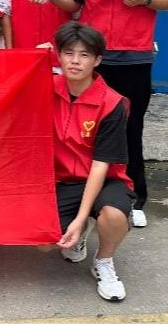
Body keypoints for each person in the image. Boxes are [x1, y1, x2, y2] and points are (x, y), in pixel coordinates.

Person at [52, 0, 168, 228]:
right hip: (94, 60)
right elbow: (75, 4)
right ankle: (88, 195)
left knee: (131, 129)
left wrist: (145, 0)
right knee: (87, 132)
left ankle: (134, 197)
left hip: (135, 57)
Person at [41, 21, 134, 302]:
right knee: (43, 243)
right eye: (69, 53)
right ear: (59, 56)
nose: (75, 61)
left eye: (84, 55)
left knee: (114, 216)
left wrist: (80, 217)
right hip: (61, 180)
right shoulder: (45, 89)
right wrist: (33, 58)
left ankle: (103, 261)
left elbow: (100, 165)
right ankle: (78, 233)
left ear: (97, 60)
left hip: (104, 179)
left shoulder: (111, 103)